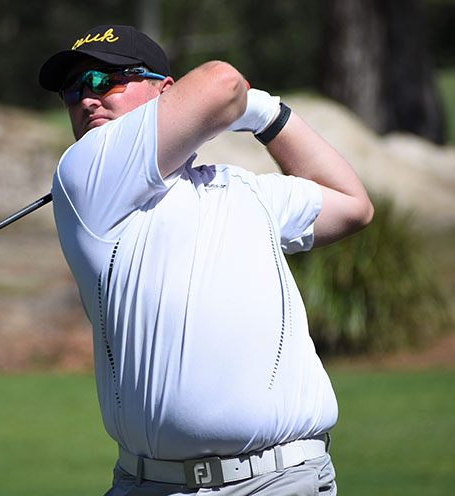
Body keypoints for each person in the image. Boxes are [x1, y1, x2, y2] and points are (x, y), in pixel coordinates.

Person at [38, 25, 373, 496]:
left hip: (281, 480)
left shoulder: (243, 188)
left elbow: (353, 205)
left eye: (104, 81)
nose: (86, 99)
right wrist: (245, 107)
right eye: (72, 91)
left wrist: (268, 114)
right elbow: (222, 83)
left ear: (164, 90)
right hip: (150, 484)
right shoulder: (86, 170)